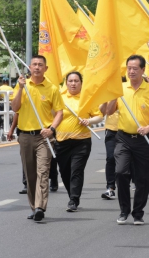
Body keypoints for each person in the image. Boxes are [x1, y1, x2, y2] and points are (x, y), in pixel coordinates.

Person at [105, 55, 149, 225]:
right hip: (123, 138)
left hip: (144, 140)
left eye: (134, 68)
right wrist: (112, 95)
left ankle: (138, 212)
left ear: (142, 70)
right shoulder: (121, 88)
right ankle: (124, 210)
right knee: (120, 172)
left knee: (142, 179)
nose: (131, 71)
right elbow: (109, 111)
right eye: (128, 68)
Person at [11, 55, 64, 222]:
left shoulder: (52, 88)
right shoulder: (22, 85)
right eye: (34, 64)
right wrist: (20, 88)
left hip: (43, 137)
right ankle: (34, 207)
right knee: (30, 174)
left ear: (45, 68)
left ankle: (40, 207)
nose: (37, 67)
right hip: (25, 136)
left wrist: (52, 129)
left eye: (40, 65)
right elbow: (15, 107)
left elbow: (59, 112)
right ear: (29, 67)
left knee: (43, 172)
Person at [55, 72, 103, 212]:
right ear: (66, 82)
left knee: (76, 170)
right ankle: (72, 195)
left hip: (81, 142)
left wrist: (89, 121)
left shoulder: (86, 99)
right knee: (64, 172)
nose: (73, 83)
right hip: (62, 141)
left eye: (76, 81)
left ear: (81, 83)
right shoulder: (60, 98)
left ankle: (74, 199)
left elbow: (99, 116)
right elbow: (52, 114)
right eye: (70, 81)